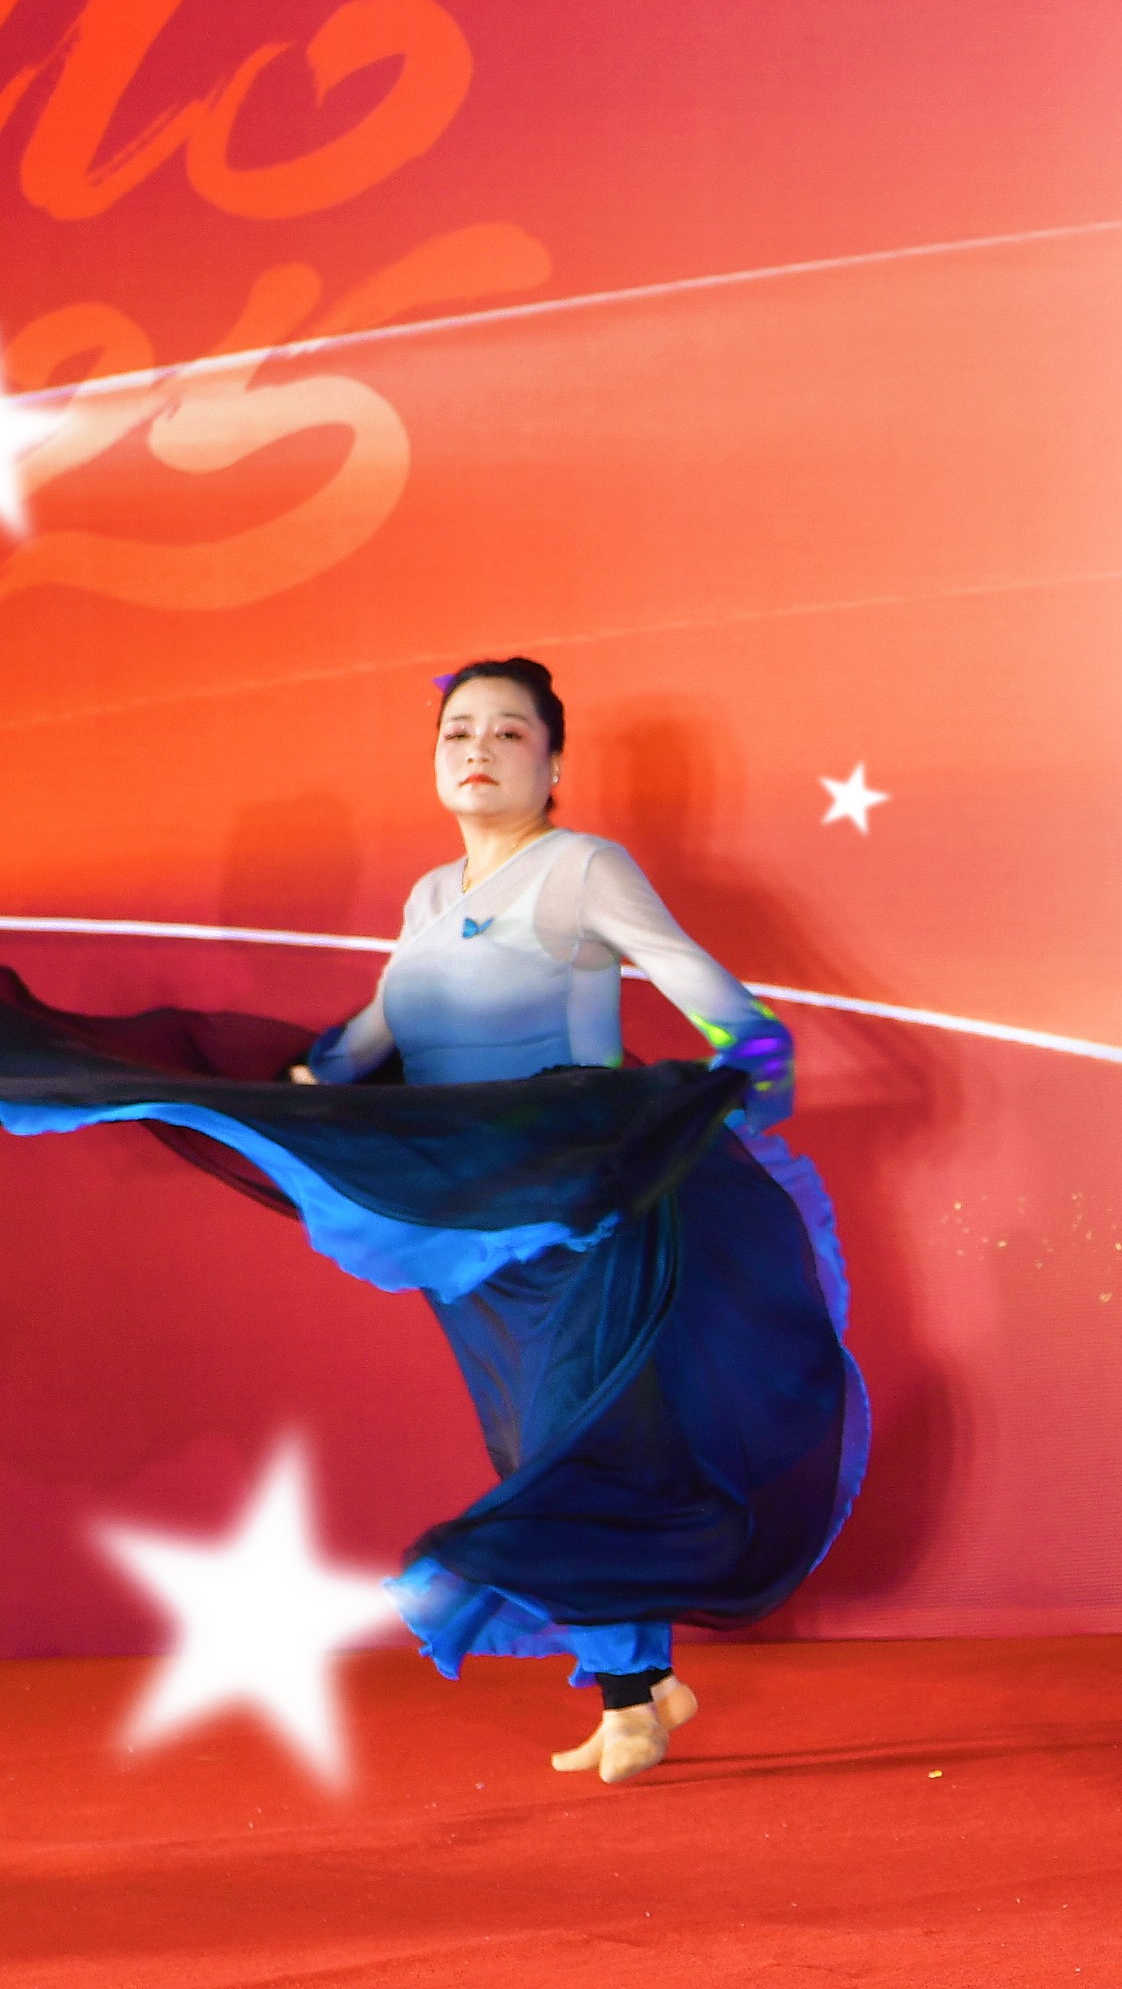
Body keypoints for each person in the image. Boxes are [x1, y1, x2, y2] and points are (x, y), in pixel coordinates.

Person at [0, 660, 866, 1785]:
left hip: (574, 1201)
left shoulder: (581, 867)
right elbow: (375, 1030)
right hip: (473, 1214)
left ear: (552, 761)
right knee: (535, 1439)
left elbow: (696, 980)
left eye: (509, 732)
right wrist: (281, 1091)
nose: (480, 749)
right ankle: (642, 1682)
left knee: (572, 1436)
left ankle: (626, 1697)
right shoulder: (428, 898)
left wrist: (740, 1066)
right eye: (460, 731)